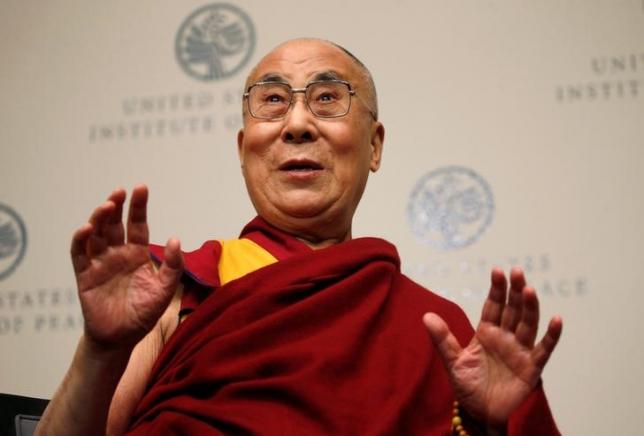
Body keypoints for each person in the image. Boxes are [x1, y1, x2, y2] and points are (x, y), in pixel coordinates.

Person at [36, 38, 563, 435]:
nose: (297, 124)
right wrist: (101, 351)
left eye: (328, 98)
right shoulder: (178, 287)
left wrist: (492, 426)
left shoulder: (436, 329)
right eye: (272, 101)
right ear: (245, 148)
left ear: (374, 146)